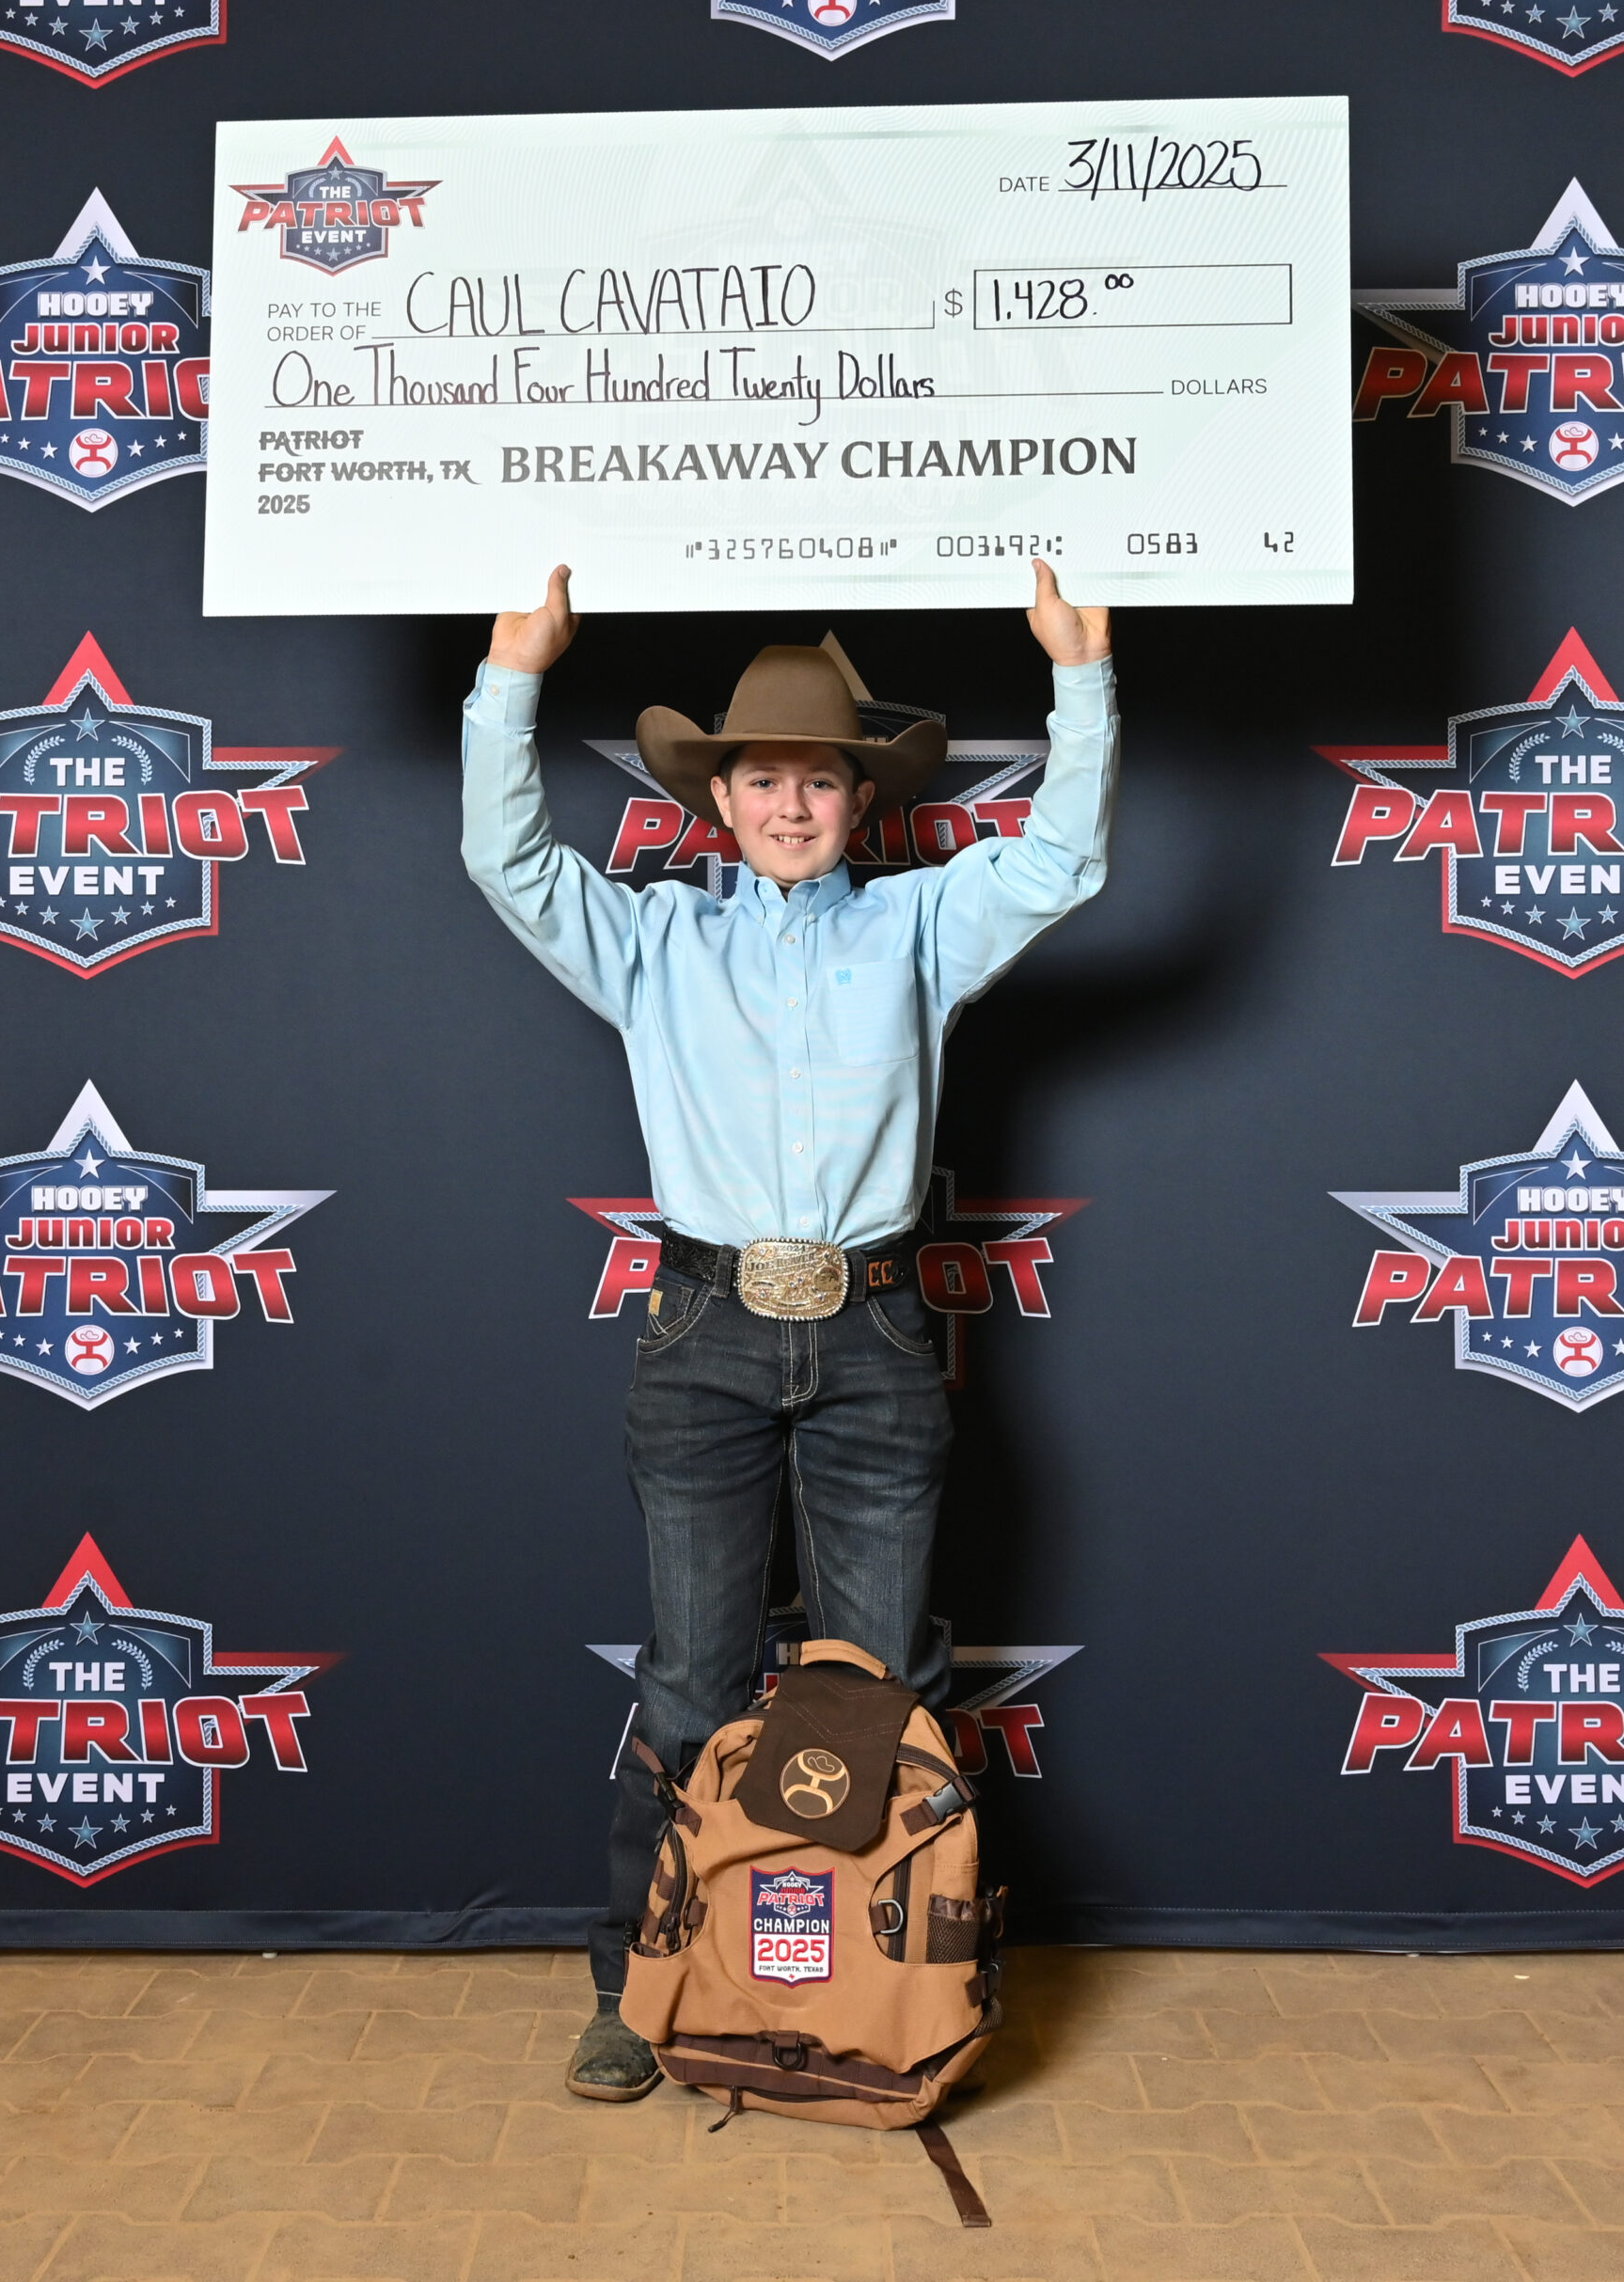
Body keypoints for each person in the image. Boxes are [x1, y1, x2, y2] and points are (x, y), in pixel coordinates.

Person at [461, 561, 1116, 2099]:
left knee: (871, 1691)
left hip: (877, 1338)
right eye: (761, 777)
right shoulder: (653, 941)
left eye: (816, 778)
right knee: (688, 1682)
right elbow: (507, 859)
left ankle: (870, 1972)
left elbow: (1066, 861)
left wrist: (1076, 677)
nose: (788, 804)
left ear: (857, 796)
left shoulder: (921, 929)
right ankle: (640, 1986)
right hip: (702, 1332)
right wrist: (512, 671)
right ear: (718, 796)